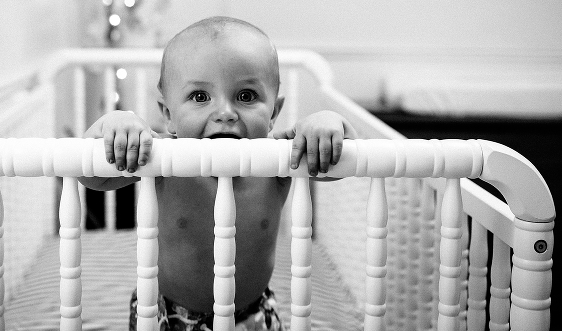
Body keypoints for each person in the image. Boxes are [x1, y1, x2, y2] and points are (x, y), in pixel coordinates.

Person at [80, 16, 356, 330]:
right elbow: (90, 175)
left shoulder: (280, 158)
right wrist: (113, 125)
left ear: (273, 114)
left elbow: (342, 164)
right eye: (200, 97)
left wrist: (329, 125)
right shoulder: (160, 157)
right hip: (167, 315)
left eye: (247, 96)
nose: (225, 113)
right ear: (168, 115)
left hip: (251, 315)